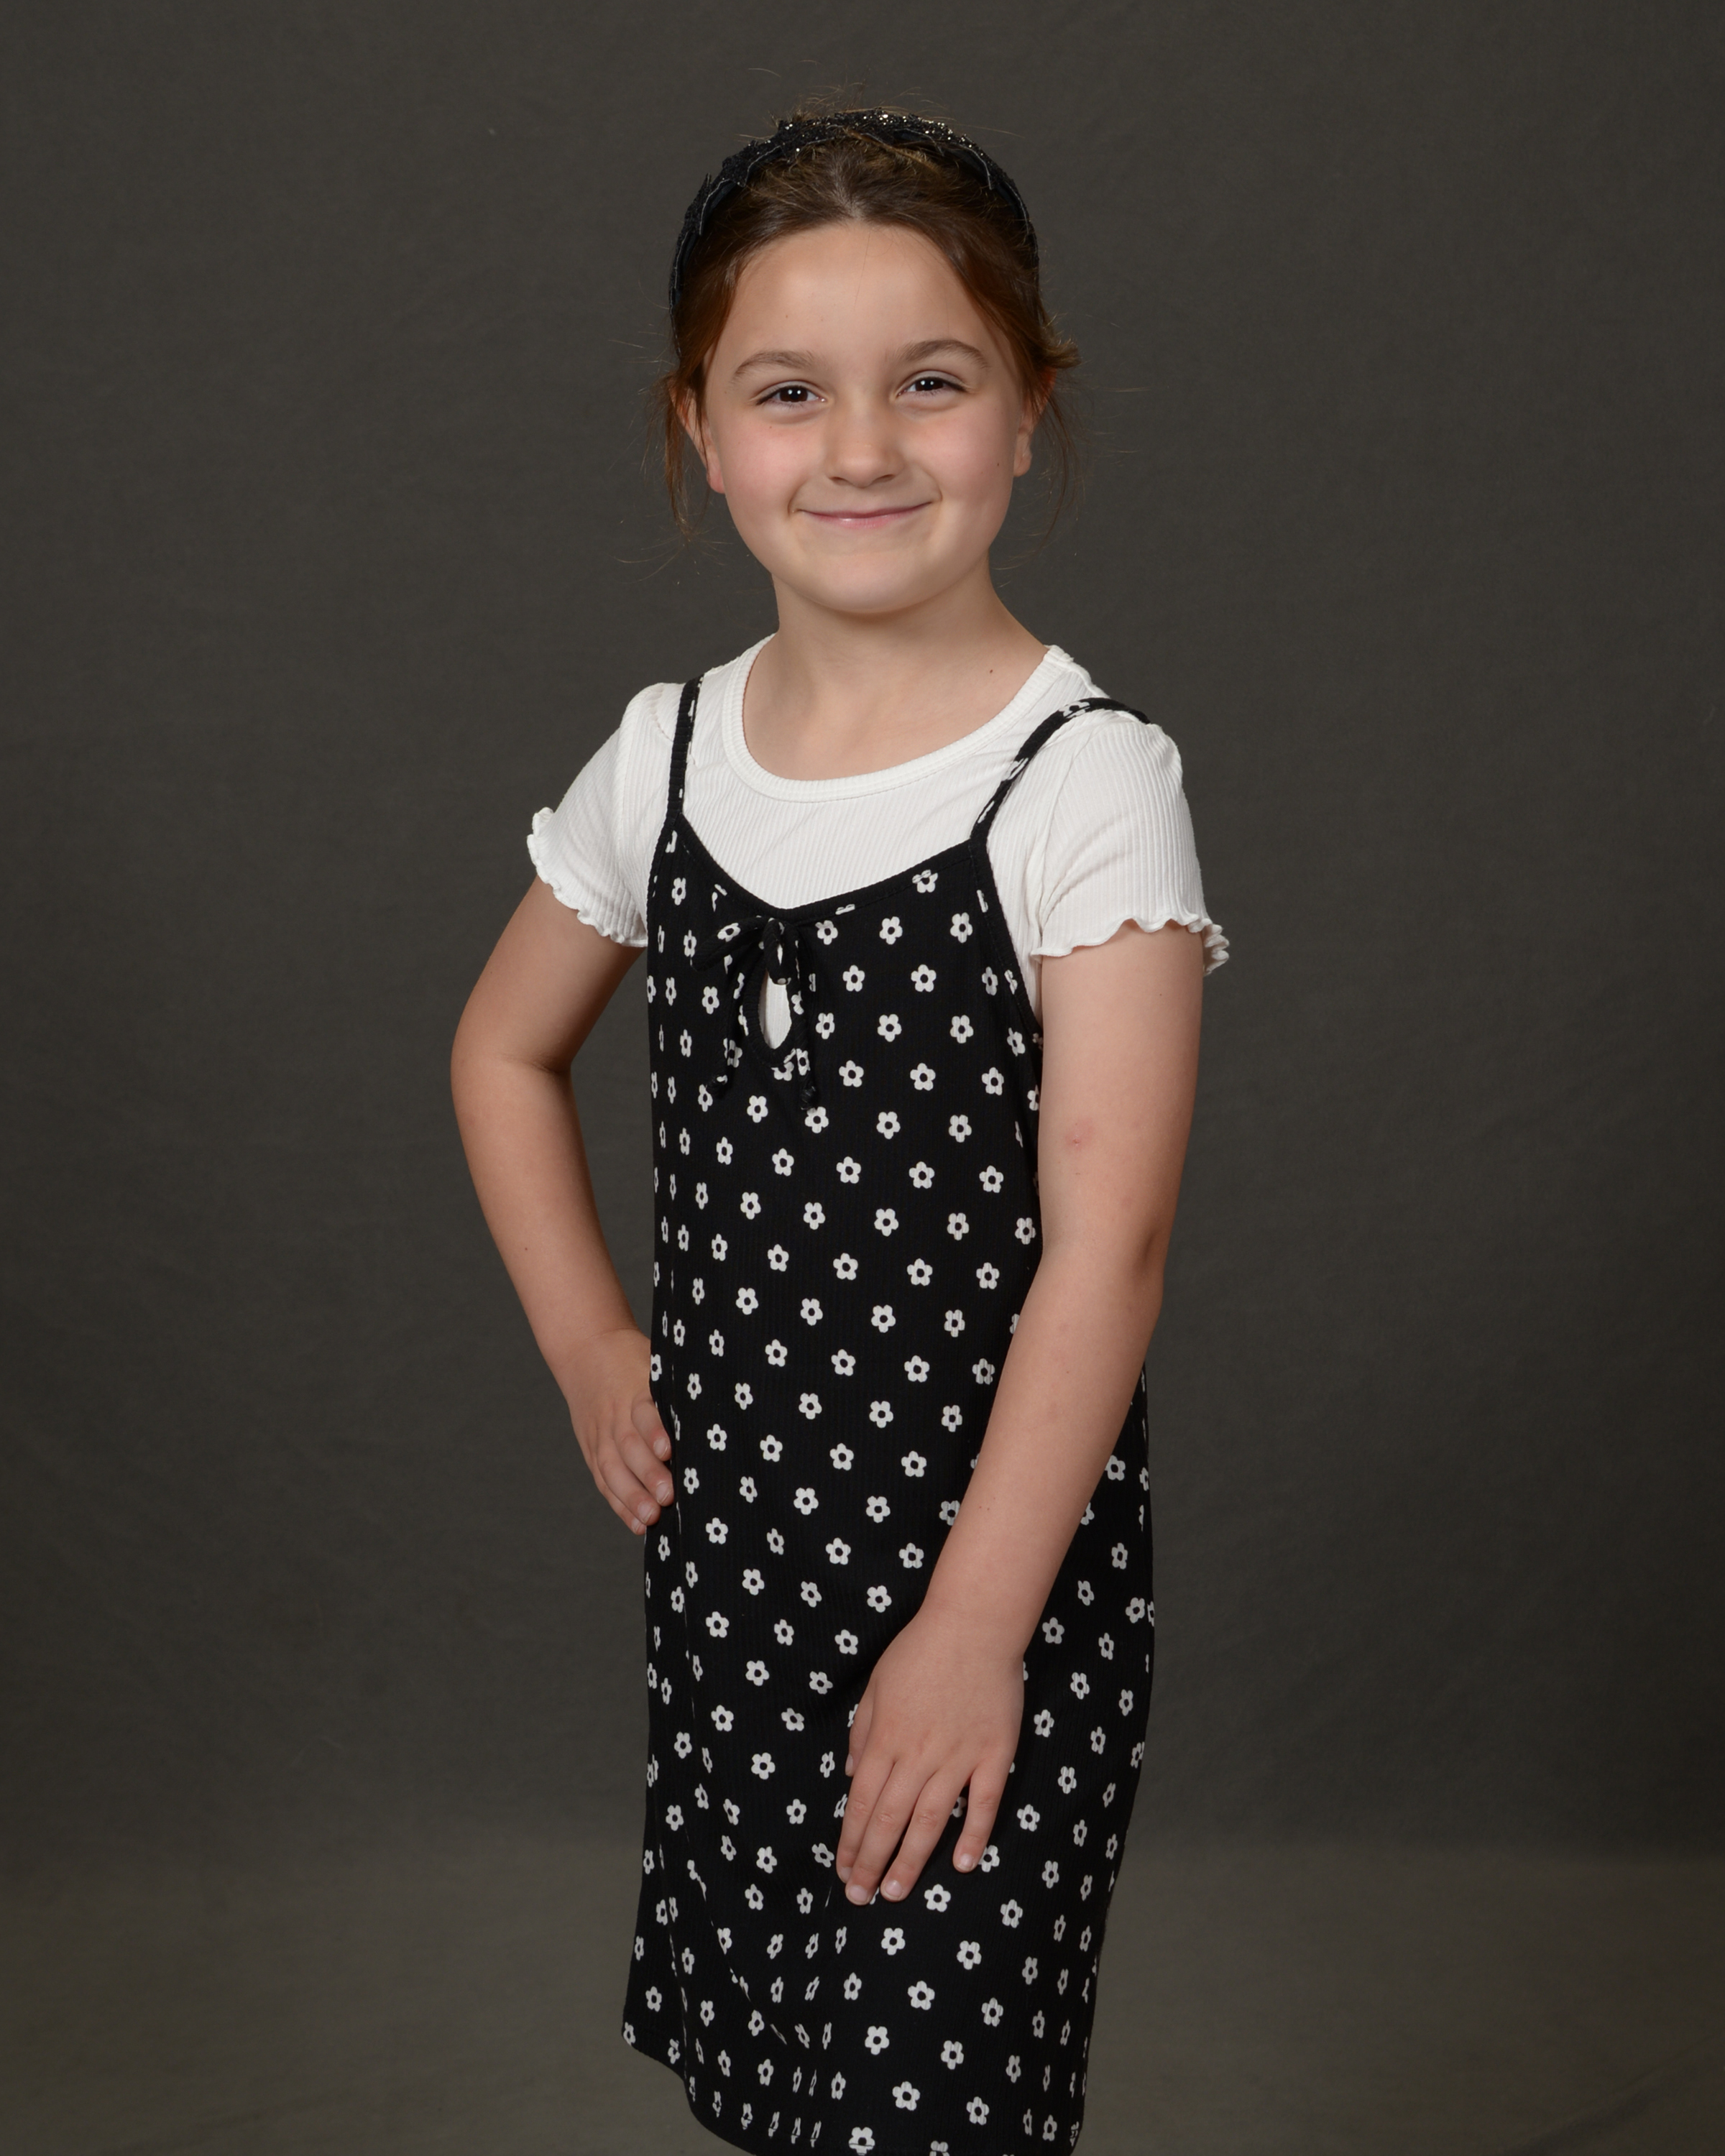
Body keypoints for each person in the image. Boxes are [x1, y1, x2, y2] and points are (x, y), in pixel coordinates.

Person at [451, 107, 1226, 2156]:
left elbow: (1111, 1247)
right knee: (789, 2091)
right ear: (702, 433)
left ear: (1028, 409)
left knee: (931, 2097)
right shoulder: (669, 754)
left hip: (991, 1582)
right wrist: (589, 1346)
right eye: (789, 392)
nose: (861, 448)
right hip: (740, 1580)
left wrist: (973, 1632)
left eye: (932, 382)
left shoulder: (1084, 782)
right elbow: (500, 1052)